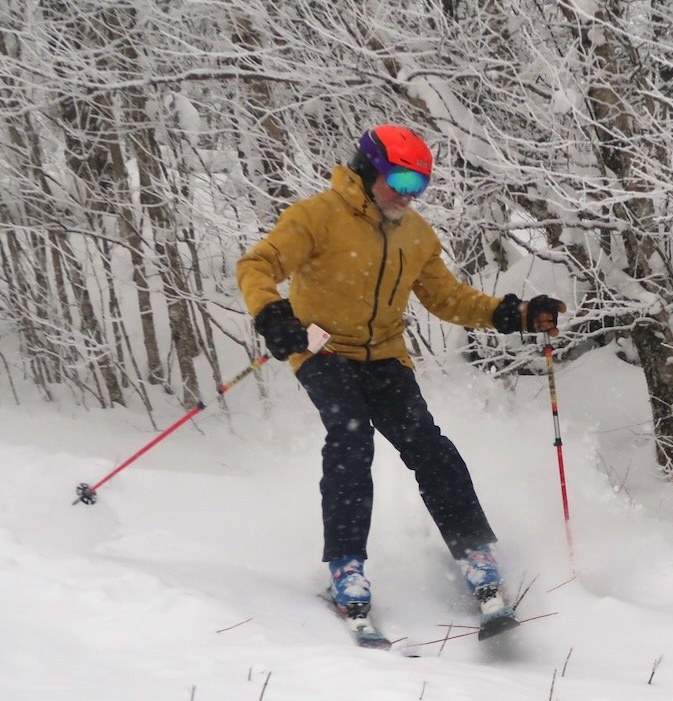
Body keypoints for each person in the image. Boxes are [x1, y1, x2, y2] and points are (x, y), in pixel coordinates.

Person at [237, 124, 566, 648]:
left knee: (427, 446)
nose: (407, 196)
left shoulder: (416, 235)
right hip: (322, 349)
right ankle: (346, 568)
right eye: (400, 181)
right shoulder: (317, 217)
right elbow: (257, 264)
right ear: (368, 172)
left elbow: (447, 298)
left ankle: (476, 554)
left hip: (385, 355)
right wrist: (272, 313)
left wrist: (516, 313)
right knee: (351, 437)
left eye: (419, 187)